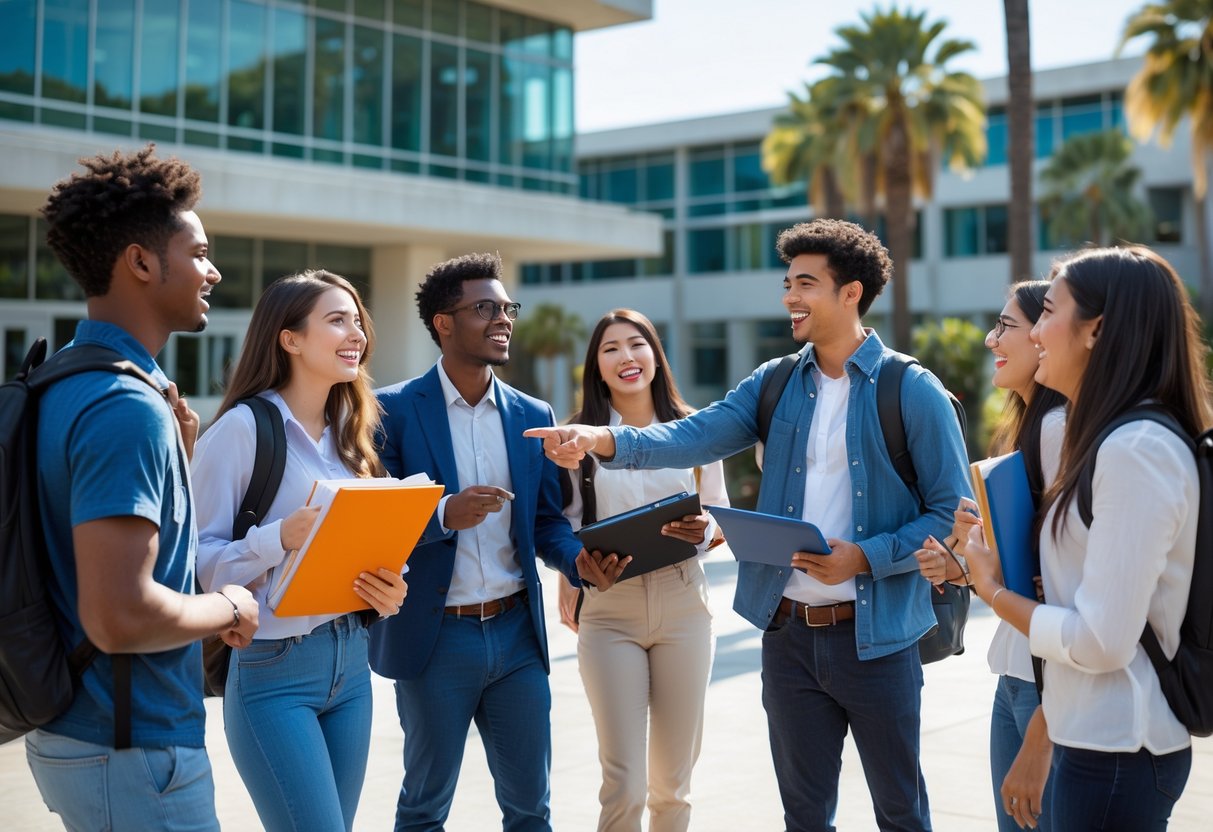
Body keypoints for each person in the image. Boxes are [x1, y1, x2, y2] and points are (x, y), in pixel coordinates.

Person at [528, 218, 971, 832]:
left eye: (806, 283)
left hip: (878, 639)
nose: (790, 295)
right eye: (787, 282)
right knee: (803, 817)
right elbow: (689, 435)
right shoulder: (775, 383)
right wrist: (601, 437)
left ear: (851, 294)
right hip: (788, 635)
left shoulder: (911, 389)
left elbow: (952, 512)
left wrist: (864, 557)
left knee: (900, 812)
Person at [27, 145, 259, 831]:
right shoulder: (123, 406)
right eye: (200, 253)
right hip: (130, 748)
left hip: (80, 732)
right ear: (141, 262)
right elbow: (120, 616)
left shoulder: (59, 381)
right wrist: (229, 605)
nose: (212, 271)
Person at [949, 246, 1211, 831]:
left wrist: (992, 590)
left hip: (1117, 749)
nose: (1034, 332)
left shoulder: (1134, 449)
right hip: (1093, 741)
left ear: (1096, 330)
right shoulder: (1110, 440)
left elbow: (1100, 642)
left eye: (1046, 312)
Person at [368, 252, 627, 832]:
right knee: (424, 806)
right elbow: (373, 521)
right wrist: (440, 516)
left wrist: (578, 561)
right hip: (436, 640)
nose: (503, 319)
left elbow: (545, 522)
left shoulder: (530, 415)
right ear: (443, 322)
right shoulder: (392, 411)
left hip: (517, 638)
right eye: (485, 308)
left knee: (531, 808)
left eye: (507, 307)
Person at [191, 270, 408, 831]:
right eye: (337, 320)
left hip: (351, 667)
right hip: (272, 671)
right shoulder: (241, 430)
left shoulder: (351, 435)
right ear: (289, 338)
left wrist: (387, 589)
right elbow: (197, 561)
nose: (355, 331)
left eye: (357, 320)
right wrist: (279, 536)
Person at [556, 308, 729, 832]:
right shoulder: (578, 441)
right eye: (611, 349)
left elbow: (719, 514)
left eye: (637, 344)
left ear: (655, 355)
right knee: (624, 785)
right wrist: (569, 577)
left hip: (683, 606)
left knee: (672, 788)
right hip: (611, 610)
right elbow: (563, 523)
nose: (626, 357)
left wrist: (704, 533)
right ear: (598, 367)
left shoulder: (697, 430)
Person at [914, 280, 1066, 831]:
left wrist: (978, 572)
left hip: (1049, 683)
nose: (989, 338)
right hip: (1018, 671)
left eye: (1006, 325)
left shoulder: (1058, 429)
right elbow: (1031, 569)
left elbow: (1068, 587)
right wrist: (963, 560)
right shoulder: (1027, 430)